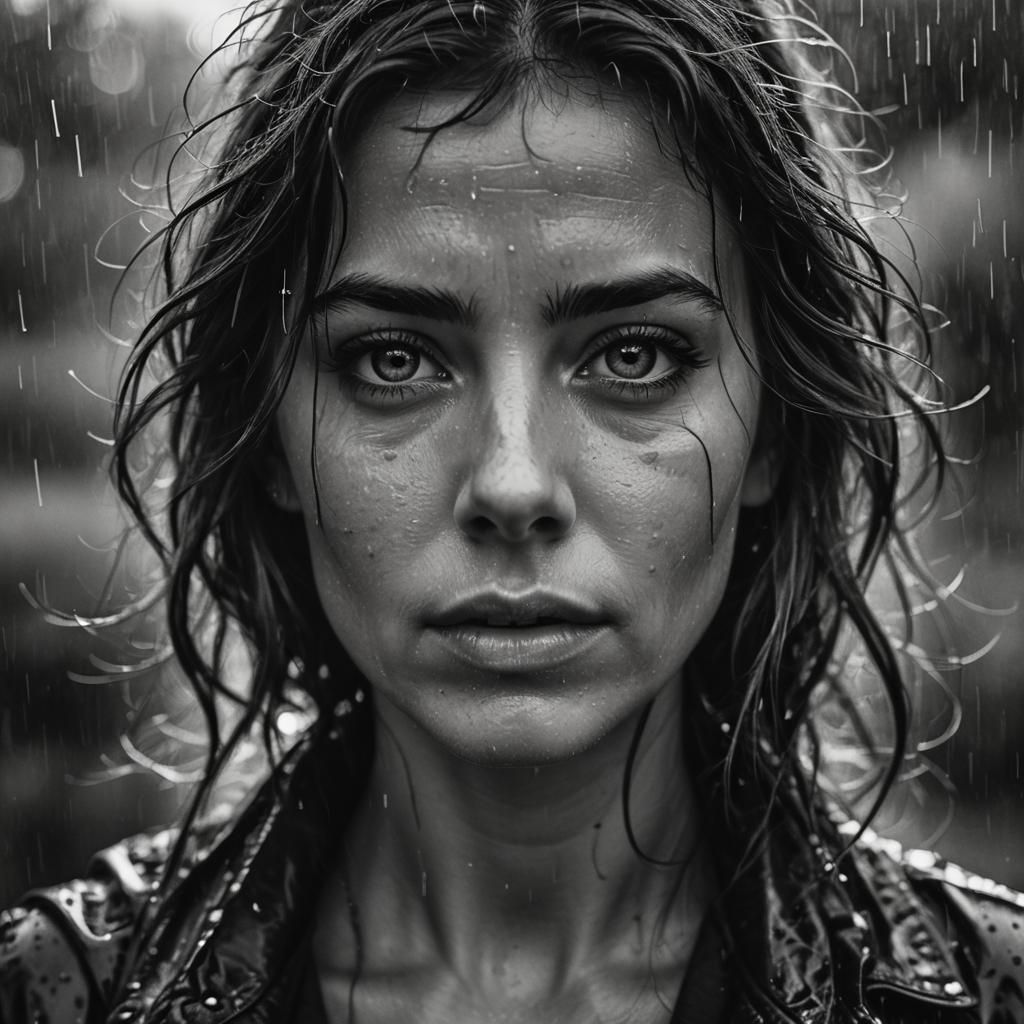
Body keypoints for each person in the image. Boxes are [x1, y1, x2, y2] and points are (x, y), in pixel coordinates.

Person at [3, 0, 1023, 1021]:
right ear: (270, 433)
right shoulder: (53, 993)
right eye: (392, 359)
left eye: (635, 354)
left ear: (771, 428)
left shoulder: (986, 992)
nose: (512, 483)